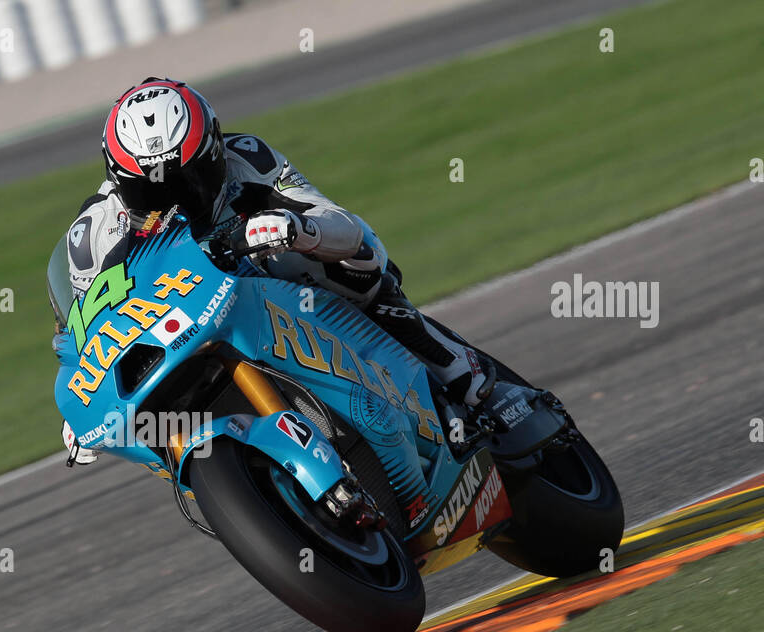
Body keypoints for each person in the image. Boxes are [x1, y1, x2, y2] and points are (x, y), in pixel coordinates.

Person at [60, 77, 492, 463]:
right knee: (135, 418)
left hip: (274, 290)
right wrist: (83, 403)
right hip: (174, 329)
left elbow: (349, 231)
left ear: (213, 150)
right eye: (149, 188)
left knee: (356, 261)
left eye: (186, 180)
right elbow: (83, 326)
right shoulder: (93, 234)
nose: (172, 200)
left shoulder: (248, 159)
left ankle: (445, 360)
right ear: (118, 179)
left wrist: (298, 228)